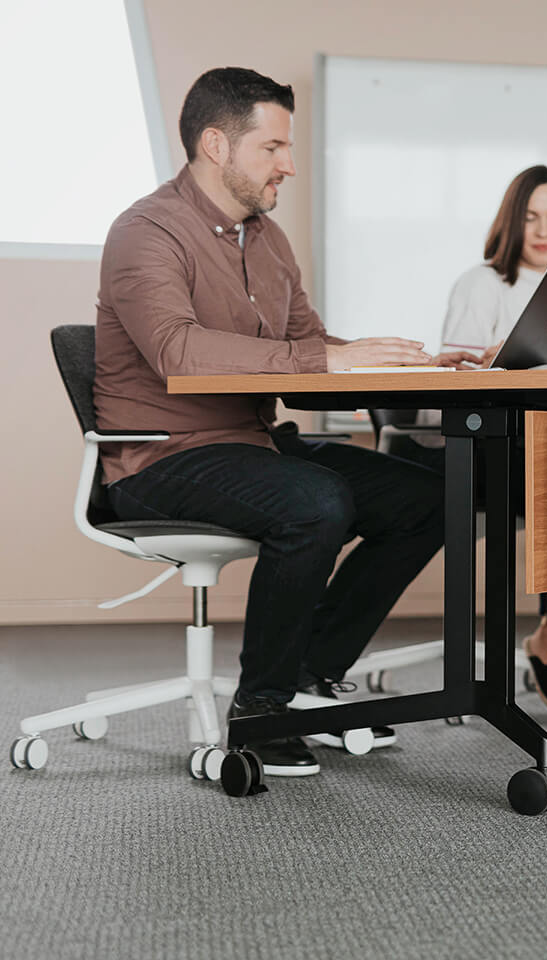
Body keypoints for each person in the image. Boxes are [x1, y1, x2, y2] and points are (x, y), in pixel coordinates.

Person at [94, 68, 447, 777]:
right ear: (216, 144)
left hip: (252, 444)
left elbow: (310, 357)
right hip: (160, 459)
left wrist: (404, 363)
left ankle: (312, 677)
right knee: (315, 500)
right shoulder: (146, 231)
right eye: (273, 147)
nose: (289, 163)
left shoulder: (268, 239)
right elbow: (177, 350)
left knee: (426, 498)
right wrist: (329, 357)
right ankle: (261, 712)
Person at [392, 164, 547, 718]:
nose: (543, 229)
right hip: (481, 449)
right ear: (512, 222)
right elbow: (453, 377)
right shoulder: (482, 283)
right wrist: (493, 365)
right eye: (532, 217)